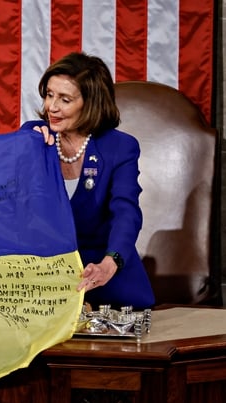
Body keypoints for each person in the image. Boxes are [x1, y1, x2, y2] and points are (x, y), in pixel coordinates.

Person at [20, 52, 154, 309]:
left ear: (90, 103)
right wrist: (27, 150)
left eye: (65, 99)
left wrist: (110, 262)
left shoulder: (119, 147)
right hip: (45, 274)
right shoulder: (33, 136)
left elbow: (126, 212)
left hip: (99, 270)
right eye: (49, 95)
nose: (52, 107)